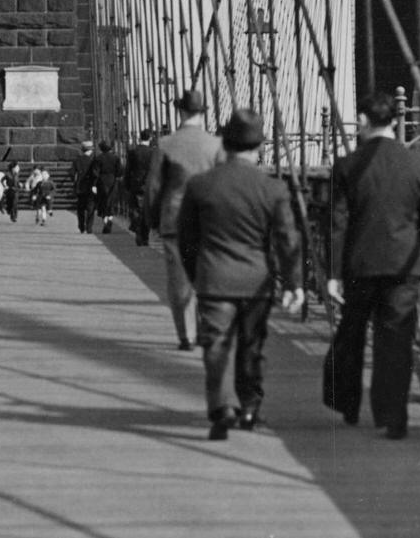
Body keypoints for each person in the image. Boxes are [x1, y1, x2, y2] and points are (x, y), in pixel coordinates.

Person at [177, 108, 304, 440]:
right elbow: (287, 239)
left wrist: (196, 276)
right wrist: (294, 283)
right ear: (259, 146)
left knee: (216, 345)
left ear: (225, 143)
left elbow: (187, 240)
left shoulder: (201, 185)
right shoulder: (273, 188)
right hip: (256, 282)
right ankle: (249, 407)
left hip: (214, 280)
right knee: (252, 346)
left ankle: (220, 408)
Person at [324, 90, 420, 440]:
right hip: (404, 266)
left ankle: (347, 404)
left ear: (362, 121)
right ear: (395, 120)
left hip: (360, 266)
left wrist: (332, 274)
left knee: (352, 332)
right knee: (395, 340)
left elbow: (337, 223)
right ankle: (392, 416)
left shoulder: (346, 166)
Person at [145, 87, 222, 348]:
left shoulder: (166, 144)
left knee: (179, 280)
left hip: (174, 221)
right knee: (207, 277)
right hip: (209, 221)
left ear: (181, 112)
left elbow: (153, 188)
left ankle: (186, 335)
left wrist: (152, 220)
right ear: (202, 114)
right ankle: (206, 329)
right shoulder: (217, 146)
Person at [124, 127, 155, 245]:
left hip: (135, 184)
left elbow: (128, 170)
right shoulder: (153, 152)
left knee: (136, 208)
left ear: (140, 137)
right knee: (147, 209)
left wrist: (127, 184)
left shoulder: (132, 152)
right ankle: (145, 236)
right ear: (150, 138)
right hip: (148, 184)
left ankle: (137, 228)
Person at [92, 139, 123, 233]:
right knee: (111, 201)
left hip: (101, 181)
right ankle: (110, 218)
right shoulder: (116, 158)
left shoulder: (98, 158)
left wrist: (94, 184)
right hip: (112, 180)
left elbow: (95, 172)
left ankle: (105, 220)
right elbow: (120, 171)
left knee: (103, 202)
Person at [70, 138, 97, 233]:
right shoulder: (94, 160)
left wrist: (75, 181)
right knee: (90, 207)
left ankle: (81, 225)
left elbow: (72, 173)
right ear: (91, 149)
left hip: (80, 187)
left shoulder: (77, 160)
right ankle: (89, 227)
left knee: (80, 207)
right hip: (91, 186)